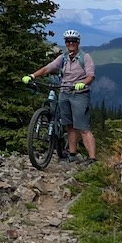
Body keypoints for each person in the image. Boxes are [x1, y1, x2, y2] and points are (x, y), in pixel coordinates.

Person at [22, 29, 96, 163]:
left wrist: (82, 83)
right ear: (66, 43)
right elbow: (48, 68)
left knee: (83, 128)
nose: (71, 43)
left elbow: (91, 76)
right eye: (68, 41)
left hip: (79, 95)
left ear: (78, 42)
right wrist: (32, 76)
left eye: (73, 41)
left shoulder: (85, 57)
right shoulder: (63, 58)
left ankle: (92, 159)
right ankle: (72, 154)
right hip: (64, 93)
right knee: (70, 125)